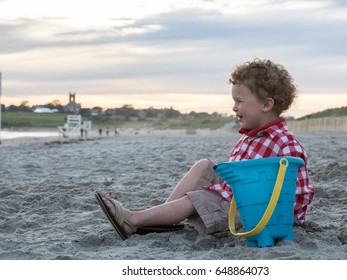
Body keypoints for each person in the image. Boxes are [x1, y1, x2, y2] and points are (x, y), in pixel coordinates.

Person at [95, 58, 314, 240]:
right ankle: (164, 218)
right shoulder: (251, 137)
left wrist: (282, 220)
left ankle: (135, 219)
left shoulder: (285, 144)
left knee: (199, 197)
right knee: (204, 166)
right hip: (240, 198)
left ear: (266, 105)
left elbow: (295, 194)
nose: (234, 107)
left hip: (261, 214)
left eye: (239, 101)